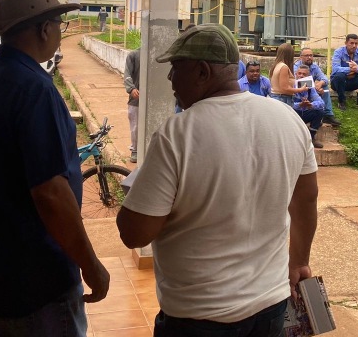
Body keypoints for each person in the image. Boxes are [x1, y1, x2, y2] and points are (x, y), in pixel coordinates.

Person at [116, 24, 318, 336]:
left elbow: (134, 233)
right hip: (271, 305)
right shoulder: (288, 119)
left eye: (176, 68)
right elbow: (306, 199)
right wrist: (299, 262)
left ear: (202, 72)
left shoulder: (177, 134)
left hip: (198, 316)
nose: (170, 78)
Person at [0, 0, 110, 336]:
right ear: (45, 29)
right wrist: (90, 264)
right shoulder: (35, 90)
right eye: (60, 25)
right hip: (32, 279)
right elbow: (50, 193)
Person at [294, 48, 340, 127]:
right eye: (306, 55)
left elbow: (325, 78)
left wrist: (320, 83)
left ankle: (328, 114)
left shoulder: (314, 66)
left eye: (311, 55)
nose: (309, 57)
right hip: (297, 95)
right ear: (300, 57)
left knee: (324, 86)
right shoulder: (296, 67)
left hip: (310, 92)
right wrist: (313, 86)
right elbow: (297, 82)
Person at [330, 34, 358, 111]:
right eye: (351, 43)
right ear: (346, 43)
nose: (354, 46)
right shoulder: (338, 52)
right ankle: (341, 101)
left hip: (353, 80)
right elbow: (335, 69)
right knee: (339, 76)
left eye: (356, 43)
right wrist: (352, 69)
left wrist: (356, 70)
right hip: (338, 83)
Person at [293, 66, 325, 148]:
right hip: (293, 114)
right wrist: (299, 105)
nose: (301, 76)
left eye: (304, 74)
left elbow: (321, 103)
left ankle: (311, 138)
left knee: (319, 111)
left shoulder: (310, 88)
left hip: (305, 112)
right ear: (296, 74)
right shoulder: (291, 86)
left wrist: (311, 105)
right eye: (299, 73)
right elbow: (288, 104)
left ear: (308, 76)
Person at [124, 47, 140, 163]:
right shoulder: (133, 55)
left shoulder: (156, 55)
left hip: (153, 98)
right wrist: (131, 88)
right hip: (136, 98)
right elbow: (127, 74)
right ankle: (135, 150)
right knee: (136, 126)